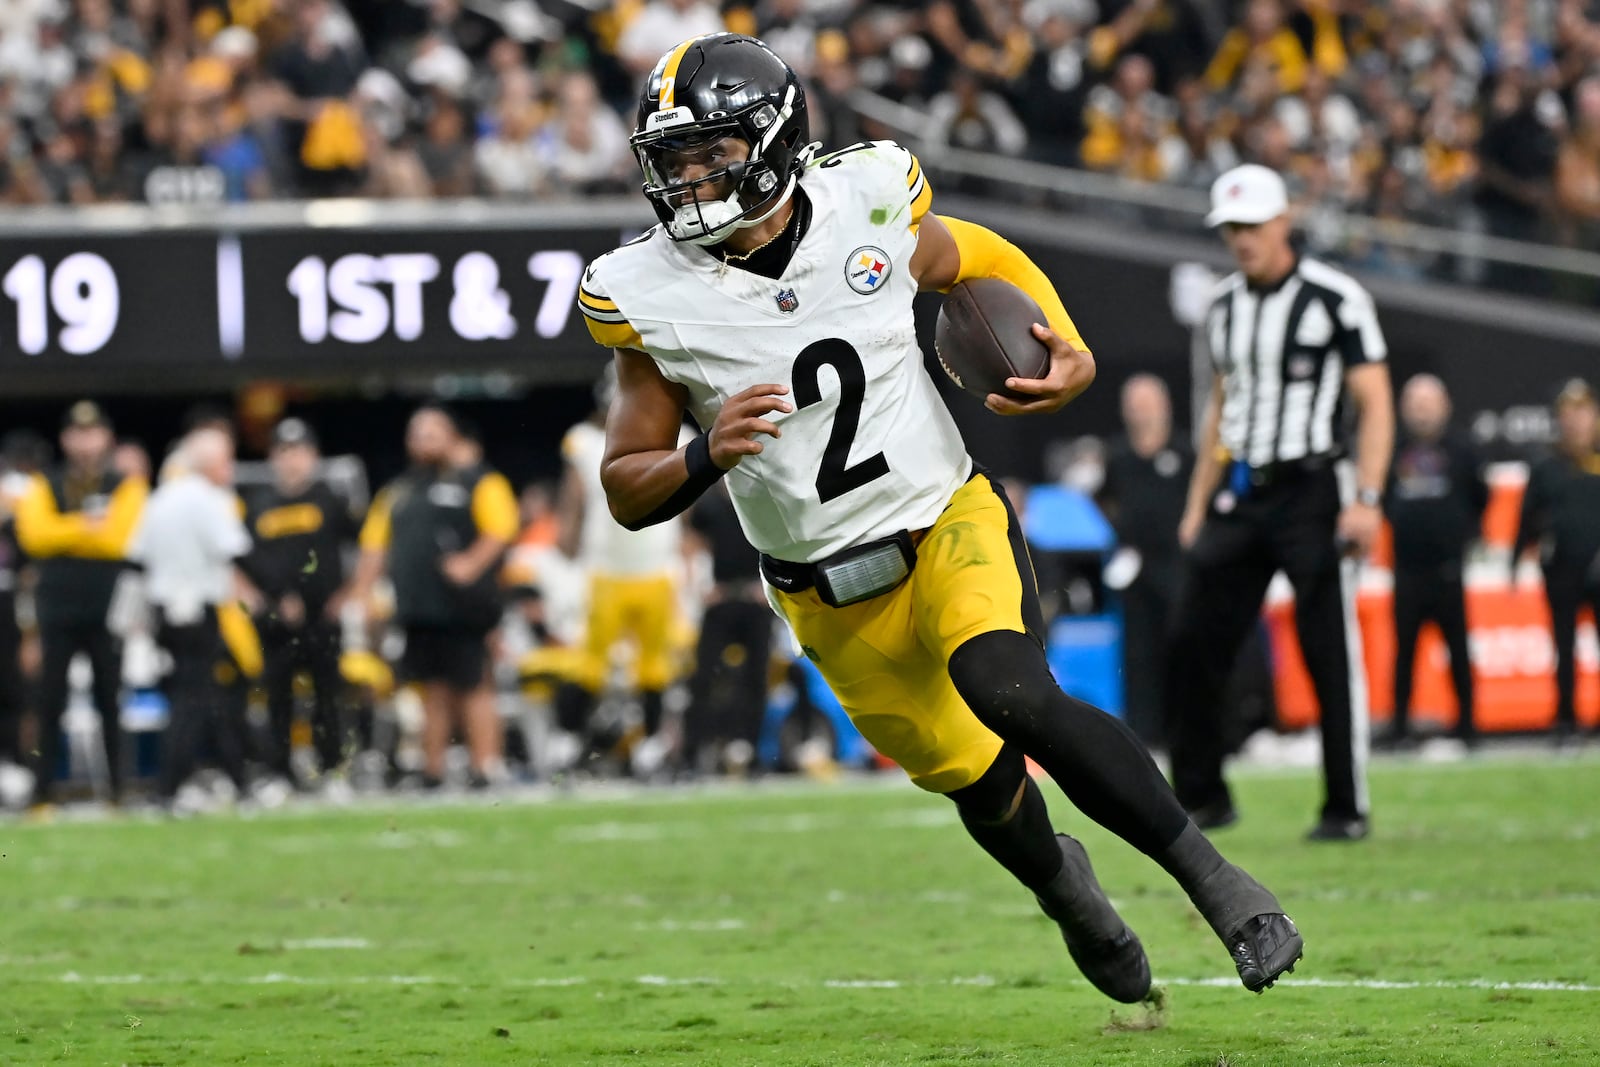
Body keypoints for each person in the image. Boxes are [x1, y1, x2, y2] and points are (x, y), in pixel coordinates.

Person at [578, 32, 1301, 1001]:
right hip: (824, 591)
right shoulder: (645, 292)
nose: (691, 180)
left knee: (1007, 685)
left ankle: (1223, 886)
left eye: (712, 152)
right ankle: (1071, 893)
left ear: (777, 140)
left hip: (942, 517)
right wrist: (701, 453)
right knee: (980, 781)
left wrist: (1065, 342)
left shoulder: (864, 196)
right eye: (674, 159)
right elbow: (625, 484)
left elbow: (975, 256)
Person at [1169, 163, 1394, 842]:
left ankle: (1344, 805)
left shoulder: (1336, 296)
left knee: (1327, 647)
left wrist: (1367, 497)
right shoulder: (1223, 306)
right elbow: (1219, 409)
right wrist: (1196, 503)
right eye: (1231, 228)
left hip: (1313, 489)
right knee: (1190, 638)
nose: (1242, 239)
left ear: (1283, 221)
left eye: (1252, 225)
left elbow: (1375, 399)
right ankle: (1202, 796)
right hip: (1242, 489)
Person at [350, 405, 518, 788]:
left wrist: (471, 564)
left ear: (452, 437)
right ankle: (433, 771)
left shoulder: (478, 481)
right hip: (417, 607)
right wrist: (361, 593)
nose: (423, 441)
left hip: (463, 607)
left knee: (475, 686)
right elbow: (374, 546)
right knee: (432, 690)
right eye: (417, 433)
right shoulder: (399, 490)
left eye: (432, 432)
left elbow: (503, 527)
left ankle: (485, 767)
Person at [14, 401, 148, 811]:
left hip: (107, 608)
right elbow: (34, 537)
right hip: (56, 609)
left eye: (93, 433)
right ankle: (41, 793)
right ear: (65, 439)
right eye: (77, 433)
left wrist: (64, 532)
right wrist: (85, 528)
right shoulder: (44, 483)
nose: (85, 442)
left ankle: (119, 790)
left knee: (112, 699)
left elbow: (120, 538)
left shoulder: (125, 483)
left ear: (106, 437)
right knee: (47, 701)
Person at [558, 369, 691, 775]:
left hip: (658, 568)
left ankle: (650, 743)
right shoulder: (584, 442)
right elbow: (575, 498)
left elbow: (690, 502)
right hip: (607, 569)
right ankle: (567, 739)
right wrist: (569, 533)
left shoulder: (681, 436)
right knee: (590, 663)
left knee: (654, 665)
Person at [130, 429, 255, 811]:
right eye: (225, 461)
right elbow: (237, 550)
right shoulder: (206, 499)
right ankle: (170, 785)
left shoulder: (161, 497)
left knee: (205, 696)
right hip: (196, 610)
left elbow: (135, 558)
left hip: (165, 611)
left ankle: (238, 776)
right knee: (193, 699)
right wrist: (281, 591)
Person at [241, 418, 358, 787]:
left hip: (323, 613)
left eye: (300, 451)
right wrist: (264, 601)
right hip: (276, 617)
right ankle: (278, 771)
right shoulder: (257, 504)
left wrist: (348, 595)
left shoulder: (331, 499)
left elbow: (366, 548)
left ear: (314, 456)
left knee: (328, 694)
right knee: (277, 696)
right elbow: (240, 559)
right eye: (284, 451)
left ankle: (333, 767)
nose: (292, 460)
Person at [1383, 375, 1487, 750]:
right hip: (1407, 568)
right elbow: (1379, 498)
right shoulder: (1391, 449)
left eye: (1428, 401)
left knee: (1458, 649)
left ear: (1444, 405)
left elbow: (1480, 496)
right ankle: (1399, 728)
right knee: (1404, 652)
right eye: (1414, 401)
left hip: (1448, 567)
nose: (1421, 409)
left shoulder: (1462, 449)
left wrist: (1461, 536)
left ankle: (1468, 726)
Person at [1096, 374, 1193, 747]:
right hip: (1135, 567)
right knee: (1138, 652)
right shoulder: (1118, 457)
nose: (1142, 412)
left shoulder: (1185, 454)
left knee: (1183, 645)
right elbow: (1102, 499)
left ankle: (1186, 730)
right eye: (1135, 404)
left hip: (1178, 565)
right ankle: (1145, 735)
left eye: (1148, 403)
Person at [1514, 379, 1600, 744]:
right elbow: (1528, 515)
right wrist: (1515, 560)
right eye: (1569, 412)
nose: (1576, 421)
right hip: (1562, 570)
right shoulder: (1547, 465)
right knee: (1563, 648)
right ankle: (1565, 718)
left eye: (1582, 411)